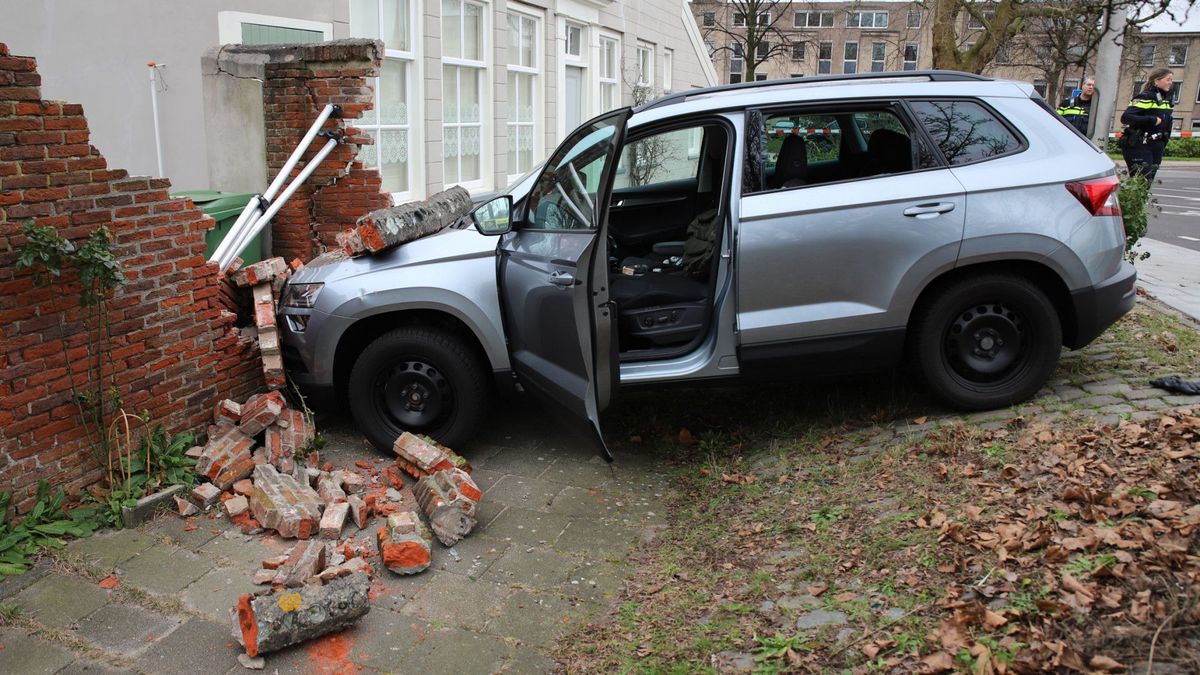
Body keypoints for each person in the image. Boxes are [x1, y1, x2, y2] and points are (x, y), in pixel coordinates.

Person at [1120, 68, 1175, 183]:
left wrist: (1164, 140)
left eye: (1172, 80)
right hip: (1140, 144)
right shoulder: (1145, 97)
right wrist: (1151, 119)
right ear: (1156, 81)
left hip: (1157, 145)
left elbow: (1167, 123)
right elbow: (1126, 117)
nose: (1170, 82)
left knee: (1147, 184)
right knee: (1141, 183)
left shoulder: (1166, 99)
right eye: (1168, 79)